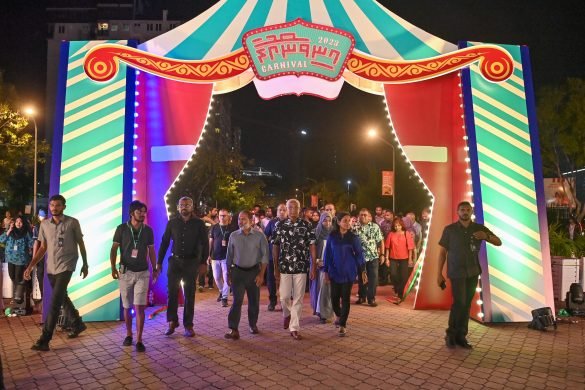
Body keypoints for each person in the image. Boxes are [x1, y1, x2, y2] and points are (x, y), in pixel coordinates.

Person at [24, 194, 89, 351]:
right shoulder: (44, 225)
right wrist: (31, 265)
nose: (54, 208)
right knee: (61, 297)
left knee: (54, 303)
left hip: (67, 266)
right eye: (52, 205)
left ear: (64, 207)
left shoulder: (73, 223)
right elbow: (43, 248)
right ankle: (77, 323)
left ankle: (44, 339)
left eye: (58, 205)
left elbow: (81, 243)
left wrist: (85, 263)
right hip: (51, 267)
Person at [437, 201, 502, 349]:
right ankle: (451, 334)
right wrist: (438, 274)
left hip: (472, 272)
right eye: (462, 210)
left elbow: (499, 242)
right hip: (456, 272)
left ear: (471, 211)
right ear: (457, 212)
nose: (465, 212)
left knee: (466, 304)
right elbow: (442, 253)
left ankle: (461, 336)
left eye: (467, 209)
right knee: (459, 303)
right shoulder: (450, 230)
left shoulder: (479, 228)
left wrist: (485, 236)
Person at [157, 197, 209, 338]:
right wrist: (159, 262)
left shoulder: (199, 224)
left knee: (189, 294)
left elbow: (205, 244)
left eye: (187, 204)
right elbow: (164, 242)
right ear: (178, 207)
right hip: (175, 262)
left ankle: (188, 325)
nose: (184, 207)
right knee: (172, 292)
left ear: (192, 207)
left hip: (191, 263)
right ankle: (172, 322)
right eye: (181, 205)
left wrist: (203, 262)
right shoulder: (172, 223)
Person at [110, 200, 158, 352]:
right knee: (127, 306)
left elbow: (151, 251)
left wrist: (155, 269)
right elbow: (113, 249)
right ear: (132, 213)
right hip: (125, 273)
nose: (143, 214)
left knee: (139, 307)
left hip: (142, 273)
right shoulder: (121, 229)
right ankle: (129, 335)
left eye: (144, 212)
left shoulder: (148, 230)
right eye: (139, 212)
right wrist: (112, 266)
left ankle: (139, 340)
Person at [272, 199, 317, 340]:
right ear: (286, 209)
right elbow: (275, 246)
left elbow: (312, 246)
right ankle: (286, 314)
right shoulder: (279, 225)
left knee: (298, 298)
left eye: (295, 207)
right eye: (289, 207)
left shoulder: (307, 225)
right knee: (284, 296)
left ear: (299, 209)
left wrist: (313, 266)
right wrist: (275, 267)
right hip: (284, 266)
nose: (292, 210)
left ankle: (294, 328)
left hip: (301, 266)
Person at [224, 211, 269, 340]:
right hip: (237, 273)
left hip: (254, 272)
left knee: (254, 301)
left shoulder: (260, 236)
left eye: (244, 219)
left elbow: (265, 257)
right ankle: (233, 328)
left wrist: (261, 275)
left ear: (251, 220)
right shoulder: (233, 236)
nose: (240, 222)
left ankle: (253, 324)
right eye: (239, 219)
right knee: (237, 301)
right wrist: (228, 273)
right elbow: (229, 256)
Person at [323, 212, 366, 337]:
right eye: (345, 221)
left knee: (345, 298)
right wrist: (326, 271)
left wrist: (362, 271)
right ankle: (339, 315)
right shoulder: (332, 236)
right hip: (334, 271)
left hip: (349, 271)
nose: (348, 223)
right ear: (338, 222)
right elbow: (328, 255)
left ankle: (342, 324)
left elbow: (359, 255)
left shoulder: (353, 237)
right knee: (334, 298)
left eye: (349, 221)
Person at [0, 216, 34, 311]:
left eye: (20, 222)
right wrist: (9, 230)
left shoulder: (26, 232)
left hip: (21, 259)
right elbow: (1, 240)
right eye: (17, 221)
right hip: (10, 259)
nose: (18, 223)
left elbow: (31, 244)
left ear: (23, 223)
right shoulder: (10, 231)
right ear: (14, 223)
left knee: (19, 277)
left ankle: (20, 298)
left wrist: (32, 233)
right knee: (12, 276)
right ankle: (19, 295)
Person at [353, 209, 384, 307]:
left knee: (373, 278)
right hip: (360, 257)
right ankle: (362, 297)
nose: (363, 217)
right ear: (358, 216)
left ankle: (371, 298)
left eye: (365, 215)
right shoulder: (354, 227)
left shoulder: (375, 227)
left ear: (369, 216)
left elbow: (381, 241)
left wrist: (382, 254)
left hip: (373, 256)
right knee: (362, 277)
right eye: (361, 215)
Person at [208, 209, 234, 308]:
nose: (222, 217)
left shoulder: (231, 229)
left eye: (224, 215)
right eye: (220, 215)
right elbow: (211, 242)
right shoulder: (214, 227)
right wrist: (208, 255)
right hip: (215, 257)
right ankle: (221, 291)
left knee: (226, 278)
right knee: (217, 277)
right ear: (218, 216)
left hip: (226, 257)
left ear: (228, 216)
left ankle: (224, 298)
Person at [264, 203, 287, 311]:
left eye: (284, 210)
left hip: (286, 257)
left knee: (285, 280)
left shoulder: (290, 223)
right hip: (271, 256)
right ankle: (272, 301)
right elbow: (265, 236)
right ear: (277, 212)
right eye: (279, 210)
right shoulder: (272, 222)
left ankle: (284, 301)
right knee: (271, 279)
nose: (282, 212)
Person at [385, 217, 415, 301]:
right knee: (393, 274)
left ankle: (400, 293)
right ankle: (397, 288)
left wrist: (410, 259)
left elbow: (410, 248)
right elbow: (387, 247)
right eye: (395, 226)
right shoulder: (391, 234)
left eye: (398, 226)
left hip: (404, 258)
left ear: (402, 225)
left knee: (404, 277)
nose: (397, 227)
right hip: (393, 257)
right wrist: (387, 258)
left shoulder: (407, 233)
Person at [311, 213, 334, 323]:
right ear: (321, 221)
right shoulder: (316, 232)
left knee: (329, 290)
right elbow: (312, 249)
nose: (327, 223)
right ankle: (321, 312)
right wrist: (316, 261)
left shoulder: (334, 233)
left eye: (329, 221)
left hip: (332, 265)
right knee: (321, 289)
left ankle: (327, 312)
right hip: (320, 265)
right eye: (325, 220)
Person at [32, 209, 47, 300]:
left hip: (51, 255)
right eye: (42, 216)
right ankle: (43, 297)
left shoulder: (52, 225)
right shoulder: (37, 226)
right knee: (41, 275)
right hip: (41, 255)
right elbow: (36, 243)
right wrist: (34, 258)